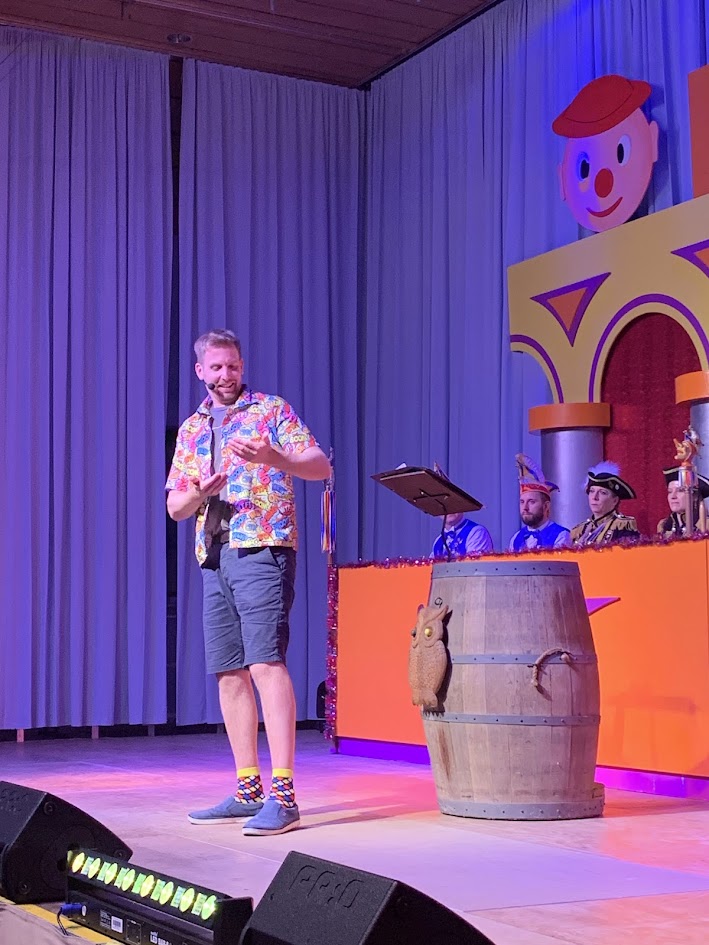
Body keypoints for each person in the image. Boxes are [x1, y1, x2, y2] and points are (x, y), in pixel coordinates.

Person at [166, 328, 331, 836]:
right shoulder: (192, 428)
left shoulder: (270, 410)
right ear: (201, 371)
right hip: (214, 554)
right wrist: (200, 492)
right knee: (229, 671)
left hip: (262, 547)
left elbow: (319, 465)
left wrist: (273, 458)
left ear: (242, 365)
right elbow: (175, 507)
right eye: (216, 367)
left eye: (233, 366)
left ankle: (284, 796)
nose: (226, 375)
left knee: (264, 662)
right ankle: (247, 789)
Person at [508, 454, 571, 551]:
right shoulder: (516, 538)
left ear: (546, 506)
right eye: (522, 502)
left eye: (531, 502)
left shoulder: (561, 535)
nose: (525, 508)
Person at [571, 462, 640, 546]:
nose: (594, 497)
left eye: (602, 493)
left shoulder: (621, 526)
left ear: (615, 501)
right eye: (592, 491)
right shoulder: (579, 530)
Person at [657, 466, 709, 537]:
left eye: (680, 490)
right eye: (670, 491)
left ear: (695, 497)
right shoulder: (663, 526)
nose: (673, 496)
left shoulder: (706, 525)